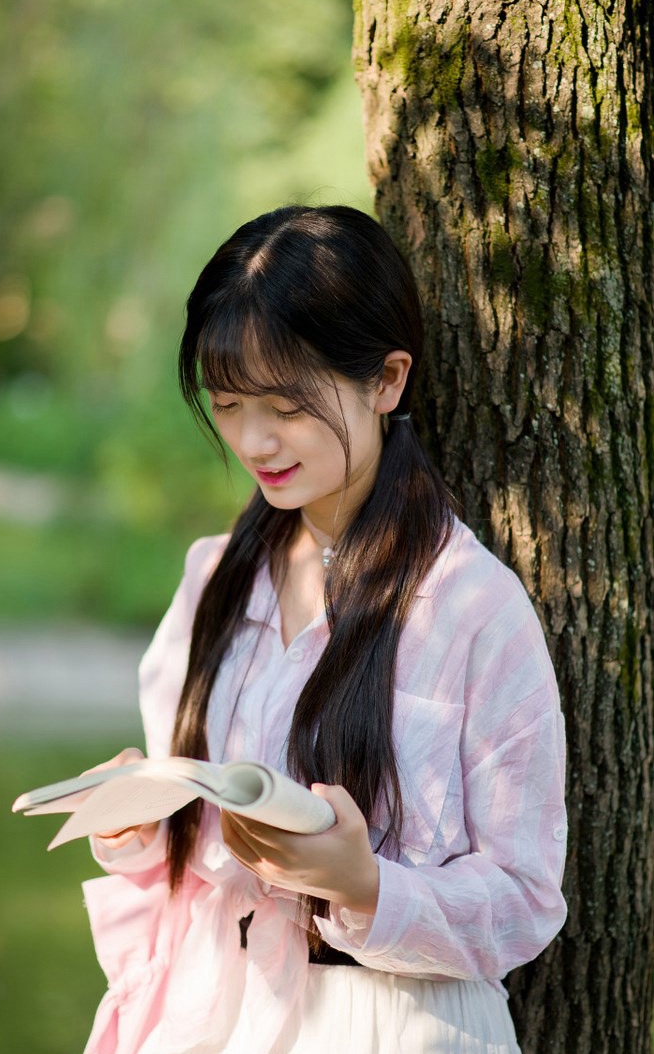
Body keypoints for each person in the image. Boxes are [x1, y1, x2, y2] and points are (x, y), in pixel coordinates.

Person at [80, 205, 567, 1054]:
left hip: (384, 1025)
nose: (254, 440)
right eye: (228, 405)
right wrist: (141, 826)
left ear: (386, 381)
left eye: (287, 406)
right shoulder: (216, 577)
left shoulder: (469, 610)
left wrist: (365, 885)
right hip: (211, 1015)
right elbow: (198, 849)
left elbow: (527, 899)